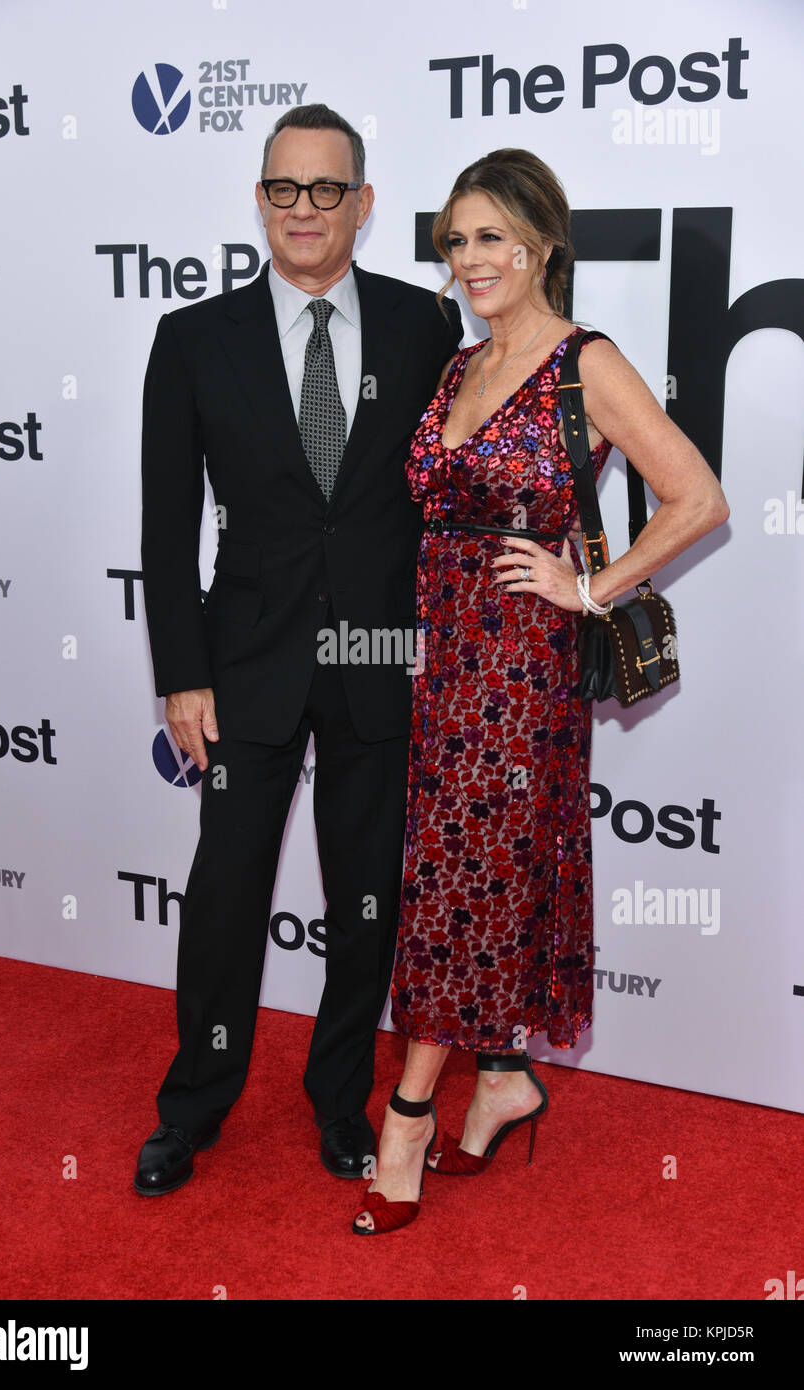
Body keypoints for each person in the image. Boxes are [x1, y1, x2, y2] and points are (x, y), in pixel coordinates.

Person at [352, 148, 729, 1234]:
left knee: (463, 878)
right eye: (455, 241)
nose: (470, 259)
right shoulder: (455, 366)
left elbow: (696, 494)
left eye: (490, 238)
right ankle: (506, 1079)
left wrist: (589, 586)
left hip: (520, 668)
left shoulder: (584, 361)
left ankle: (412, 1112)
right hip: (439, 658)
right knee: (458, 874)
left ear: (543, 242)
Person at [134, 104, 462, 1196]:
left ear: (364, 205)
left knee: (365, 893)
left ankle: (341, 1105)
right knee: (226, 887)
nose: (305, 209)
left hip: (378, 656)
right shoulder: (194, 339)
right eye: (285, 188)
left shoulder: (426, 330)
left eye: (328, 189)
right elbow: (165, 517)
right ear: (260, 199)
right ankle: (196, 1103)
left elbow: (449, 496)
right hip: (244, 664)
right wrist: (180, 670)